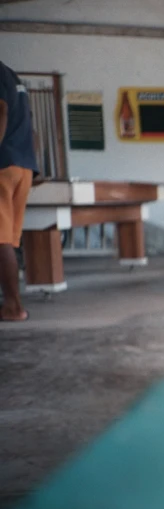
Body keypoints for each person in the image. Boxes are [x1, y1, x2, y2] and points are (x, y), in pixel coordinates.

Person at [0, 62, 37, 322]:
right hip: (23, 165)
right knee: (9, 240)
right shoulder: (13, 75)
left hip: (3, 164)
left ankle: (13, 307)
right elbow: (31, 129)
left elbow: (0, 110)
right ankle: (11, 305)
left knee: (0, 241)